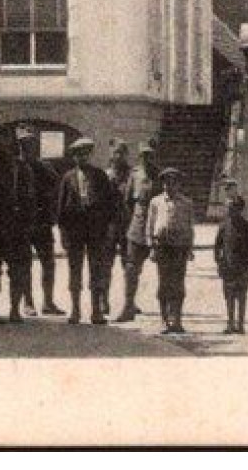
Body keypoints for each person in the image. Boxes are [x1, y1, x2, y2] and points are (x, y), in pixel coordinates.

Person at [0, 127, 39, 322]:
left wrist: (26, 227)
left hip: (16, 228)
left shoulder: (22, 169)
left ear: (10, 144)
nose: (0, 146)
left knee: (17, 270)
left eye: (4, 141)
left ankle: (14, 309)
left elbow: (30, 200)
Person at [56, 137, 116, 325]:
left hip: (95, 231)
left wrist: (106, 229)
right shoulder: (68, 178)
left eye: (84, 154)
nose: (81, 157)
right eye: (77, 154)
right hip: (75, 230)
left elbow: (109, 205)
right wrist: (63, 233)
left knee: (96, 270)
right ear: (74, 157)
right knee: (75, 270)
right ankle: (75, 310)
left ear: (89, 155)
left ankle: (96, 311)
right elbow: (61, 208)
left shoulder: (99, 175)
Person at [16, 130, 64, 318]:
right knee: (24, 263)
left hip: (42, 223)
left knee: (48, 263)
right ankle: (27, 302)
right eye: (22, 145)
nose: (25, 148)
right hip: (23, 223)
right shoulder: (15, 168)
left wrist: (51, 213)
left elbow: (57, 189)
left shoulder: (44, 167)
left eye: (28, 144)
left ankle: (48, 302)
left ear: (34, 146)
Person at [146, 166, 195, 334]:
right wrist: (152, 247)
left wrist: (190, 248)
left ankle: (177, 319)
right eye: (166, 183)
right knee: (164, 284)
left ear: (178, 185)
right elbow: (150, 226)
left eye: (173, 183)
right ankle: (164, 319)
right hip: (162, 246)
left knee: (179, 285)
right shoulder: (156, 202)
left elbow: (190, 227)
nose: (169, 186)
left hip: (179, 247)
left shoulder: (186, 203)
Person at [114, 141, 159, 322]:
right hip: (138, 225)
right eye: (143, 155)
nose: (147, 159)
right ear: (139, 156)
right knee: (131, 268)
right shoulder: (134, 175)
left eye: (150, 155)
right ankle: (128, 306)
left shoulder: (161, 176)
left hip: (157, 226)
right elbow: (127, 202)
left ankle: (170, 310)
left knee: (166, 269)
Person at [213, 193, 248, 334]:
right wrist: (219, 262)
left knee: (242, 295)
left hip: (243, 267)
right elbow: (217, 246)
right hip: (228, 265)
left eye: (233, 208)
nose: (230, 211)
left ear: (240, 209)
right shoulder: (224, 226)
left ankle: (241, 323)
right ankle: (230, 323)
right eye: (228, 208)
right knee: (229, 296)